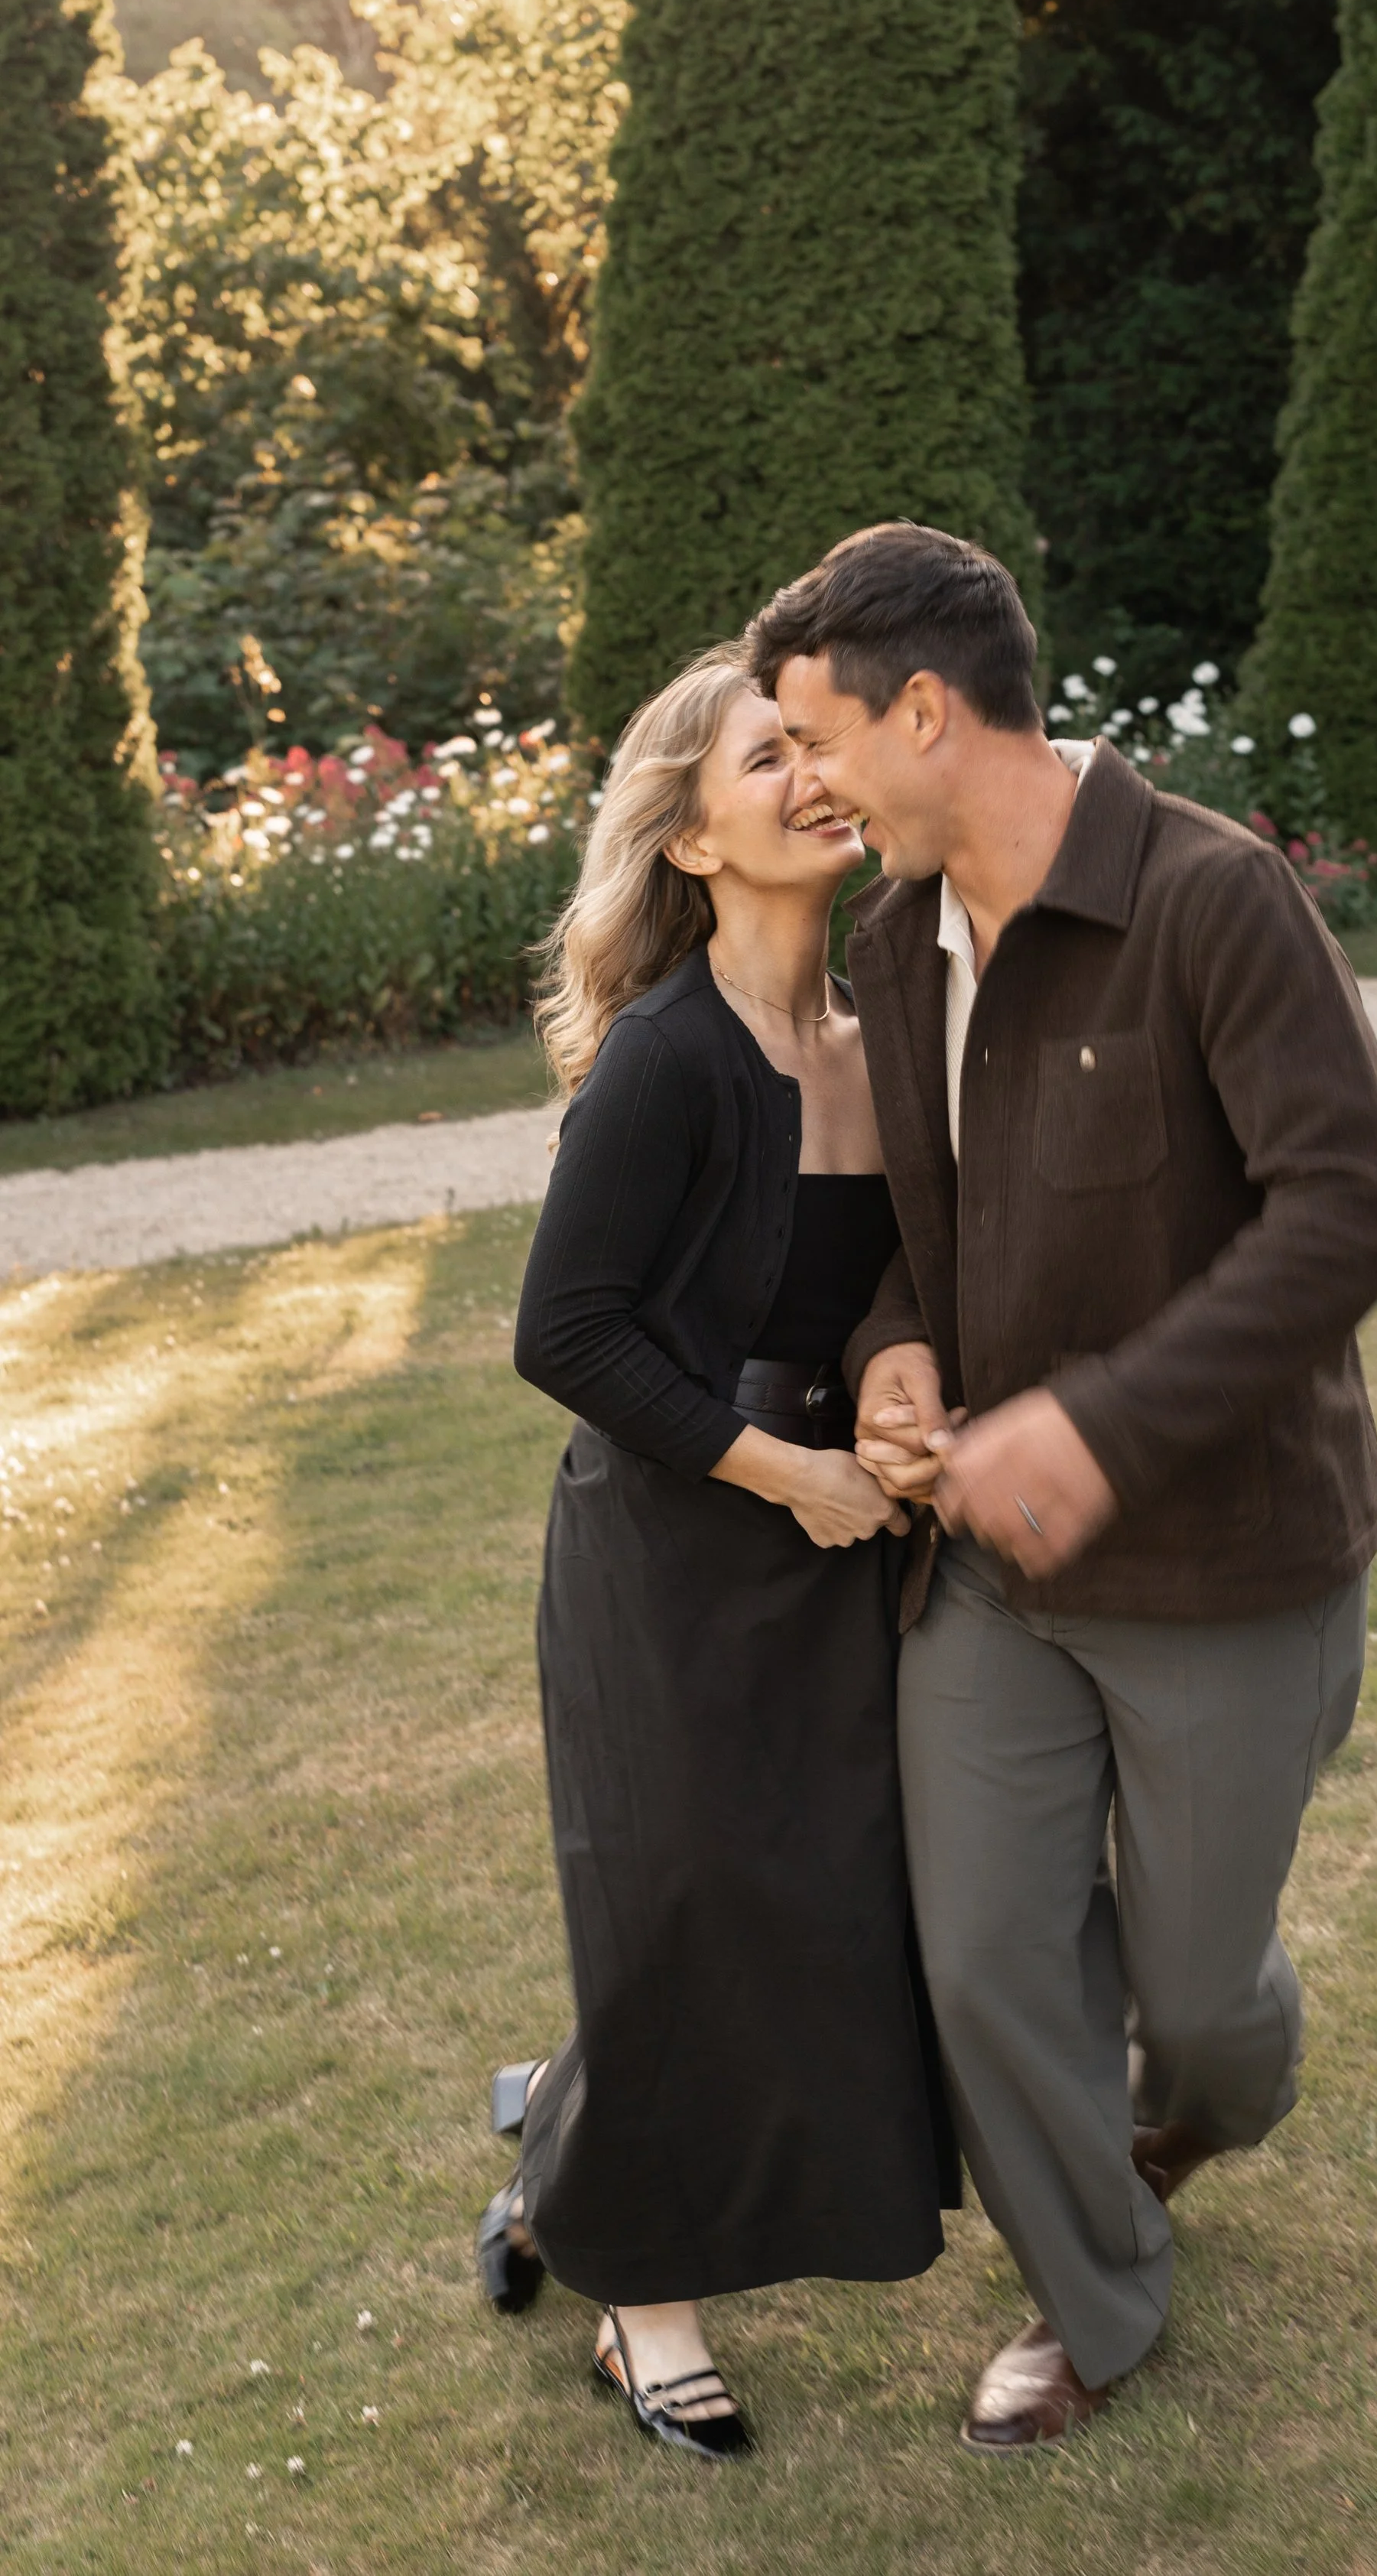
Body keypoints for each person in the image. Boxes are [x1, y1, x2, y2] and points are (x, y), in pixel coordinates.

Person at [751, 524, 1377, 2453]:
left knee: (1200, 2021)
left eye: (821, 742)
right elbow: (929, 1239)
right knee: (983, 1960)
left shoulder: (1217, 902)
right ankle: (1092, 2297)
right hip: (988, 1581)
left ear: (928, 711)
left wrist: (1100, 1426)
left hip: (1226, 1565)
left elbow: (1350, 1212)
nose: (808, 785)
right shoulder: (898, 936)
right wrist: (895, 1350)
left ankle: (1207, 2085)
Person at [476, 646, 957, 2465]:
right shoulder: (667, 1061)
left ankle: (555, 2158)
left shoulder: (872, 1037)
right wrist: (786, 1472)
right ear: (688, 839)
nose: (812, 779)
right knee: (678, 1909)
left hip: (832, 1542)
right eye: (769, 758)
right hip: (676, 1556)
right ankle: (643, 2311)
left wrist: (894, 1405)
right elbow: (565, 1336)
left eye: (816, 749)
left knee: (805, 1907)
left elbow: (907, 1276)